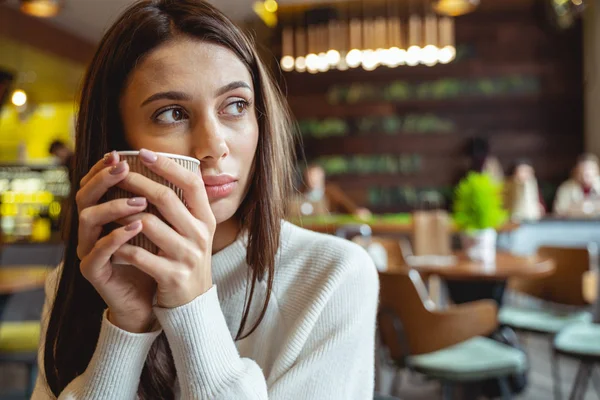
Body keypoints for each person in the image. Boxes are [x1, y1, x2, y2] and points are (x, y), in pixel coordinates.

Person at [32, 1, 379, 399]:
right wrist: (126, 326)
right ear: (118, 143)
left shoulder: (333, 276)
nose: (213, 146)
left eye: (235, 106)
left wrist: (192, 305)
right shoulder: (77, 281)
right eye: (171, 114)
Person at [288, 163, 371, 218]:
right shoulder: (301, 192)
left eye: (315, 176)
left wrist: (355, 211)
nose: (313, 179)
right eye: (310, 176)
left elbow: (344, 203)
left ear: (322, 176)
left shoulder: (331, 192)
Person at [554, 153, 600, 217]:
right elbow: (559, 211)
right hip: (573, 225)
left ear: (597, 171)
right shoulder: (566, 188)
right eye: (582, 170)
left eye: (590, 170)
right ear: (576, 171)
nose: (585, 174)